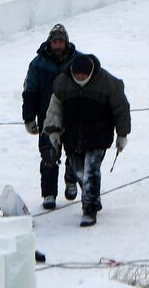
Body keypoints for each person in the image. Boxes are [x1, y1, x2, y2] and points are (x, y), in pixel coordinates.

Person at [43, 53, 131, 227]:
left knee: (91, 170)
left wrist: (122, 134)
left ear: (91, 71)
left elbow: (121, 108)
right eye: (77, 75)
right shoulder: (62, 83)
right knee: (80, 172)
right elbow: (55, 109)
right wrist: (53, 131)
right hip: (72, 136)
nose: (80, 77)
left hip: (99, 135)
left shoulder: (107, 82)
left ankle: (89, 209)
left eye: (84, 75)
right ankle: (80, 185)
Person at [22, 23, 81, 211]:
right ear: (50, 42)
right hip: (48, 117)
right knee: (48, 154)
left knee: (74, 152)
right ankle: (49, 193)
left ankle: (71, 180)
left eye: (61, 42)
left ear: (66, 43)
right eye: (55, 42)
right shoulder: (37, 64)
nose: (58, 45)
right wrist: (29, 118)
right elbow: (30, 92)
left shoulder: (77, 61)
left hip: (73, 115)